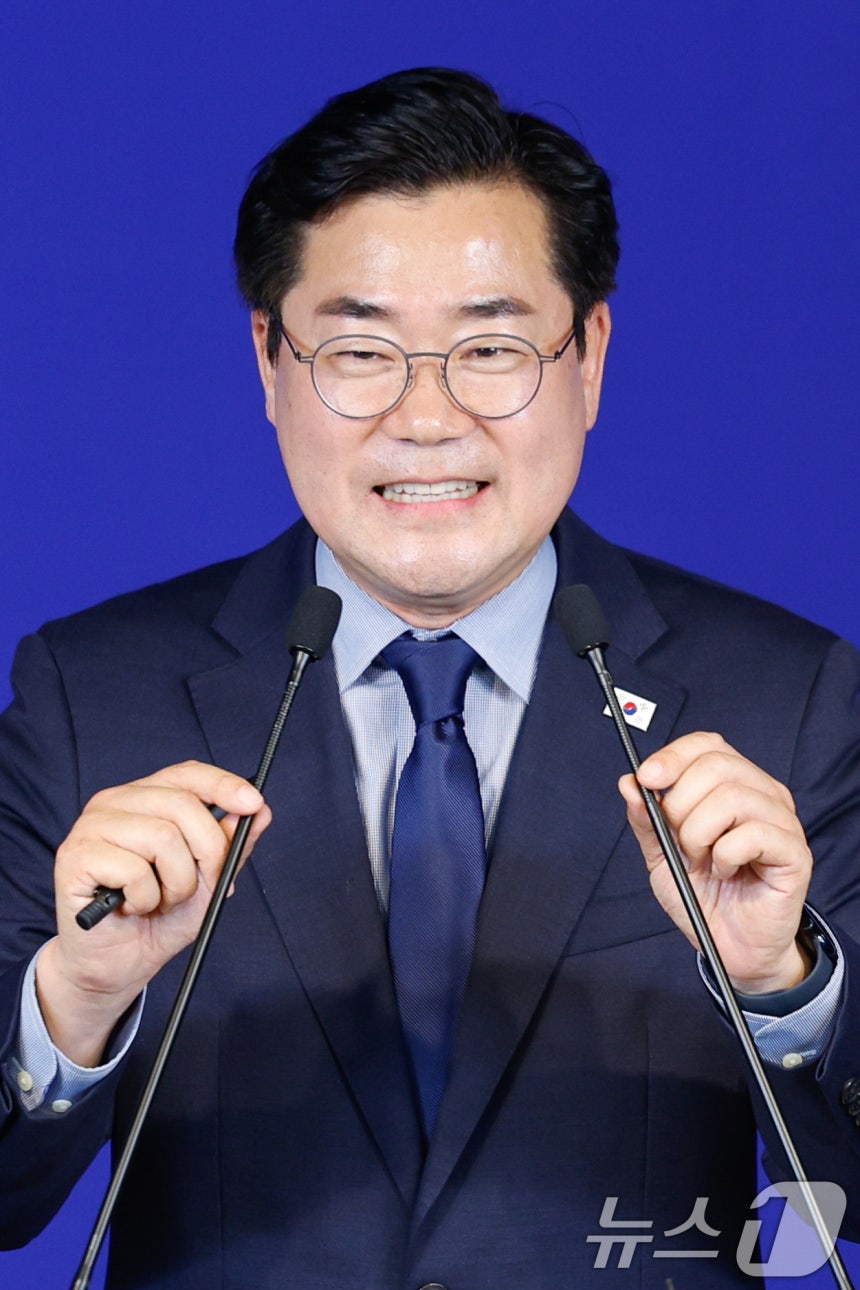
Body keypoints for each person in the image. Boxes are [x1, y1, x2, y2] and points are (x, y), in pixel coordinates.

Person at [1, 67, 859, 1289]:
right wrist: (73, 1002)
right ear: (269, 361)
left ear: (588, 356)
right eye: (359, 350)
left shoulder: (786, 697)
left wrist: (785, 989)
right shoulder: (94, 696)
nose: (425, 417)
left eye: (489, 347)